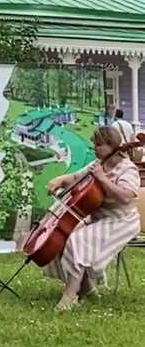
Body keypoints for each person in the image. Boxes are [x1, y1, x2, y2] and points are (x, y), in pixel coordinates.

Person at [44, 124, 140, 311]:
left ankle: (70, 296)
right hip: (100, 219)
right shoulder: (99, 164)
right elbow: (76, 178)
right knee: (61, 235)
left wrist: (102, 179)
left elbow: (126, 196)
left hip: (122, 221)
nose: (94, 147)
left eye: (99, 144)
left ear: (112, 145)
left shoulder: (127, 169)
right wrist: (60, 180)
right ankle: (87, 289)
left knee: (79, 240)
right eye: (94, 143)